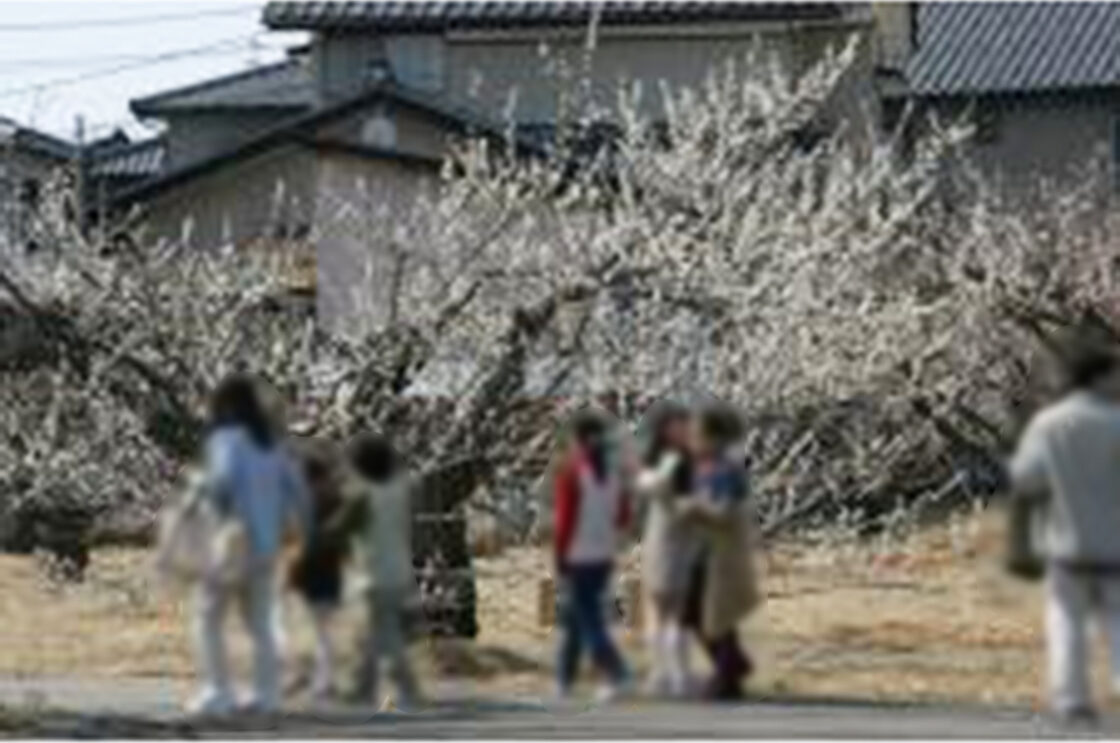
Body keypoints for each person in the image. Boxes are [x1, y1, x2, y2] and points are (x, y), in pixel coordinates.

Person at [1010, 344, 1120, 725]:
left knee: (1066, 619)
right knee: (1117, 617)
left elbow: (1025, 476)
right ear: (1099, 378)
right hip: (1113, 539)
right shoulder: (1115, 422)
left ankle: (1072, 697)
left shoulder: (1049, 423)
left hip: (1065, 539)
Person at [191, 373, 312, 716]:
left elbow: (222, 485)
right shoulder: (274, 445)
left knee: (208, 616)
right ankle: (267, 694)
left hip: (231, 538)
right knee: (260, 621)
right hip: (266, 544)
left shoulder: (226, 440)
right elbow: (299, 495)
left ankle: (219, 690)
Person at [677, 402, 761, 701]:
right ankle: (733, 665)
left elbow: (726, 512)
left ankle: (729, 673)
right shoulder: (704, 468)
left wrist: (695, 510)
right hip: (700, 551)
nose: (693, 441)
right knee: (693, 613)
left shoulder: (725, 470)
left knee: (712, 615)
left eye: (698, 435)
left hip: (719, 554)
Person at [332, 432, 422, 710]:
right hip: (401, 571)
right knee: (372, 634)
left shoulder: (362, 498)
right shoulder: (399, 492)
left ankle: (406, 687)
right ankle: (364, 686)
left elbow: (340, 530)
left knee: (385, 634)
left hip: (376, 575)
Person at [553, 408, 634, 702]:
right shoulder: (613, 474)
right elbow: (623, 517)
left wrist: (560, 556)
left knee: (588, 620)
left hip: (577, 555)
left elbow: (565, 520)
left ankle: (617, 673)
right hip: (604, 553)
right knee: (576, 616)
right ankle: (565, 678)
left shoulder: (573, 472)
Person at [635, 400, 700, 697]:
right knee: (661, 607)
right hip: (661, 539)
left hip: (684, 540)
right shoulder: (662, 459)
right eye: (680, 425)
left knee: (679, 609)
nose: (686, 430)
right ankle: (663, 673)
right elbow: (648, 489)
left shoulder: (689, 460)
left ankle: (677, 673)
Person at [287, 438, 347, 702]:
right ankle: (322, 677)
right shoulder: (335, 499)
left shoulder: (309, 502)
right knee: (323, 628)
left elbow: (304, 539)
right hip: (331, 569)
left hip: (313, 570)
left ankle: (319, 679)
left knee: (314, 628)